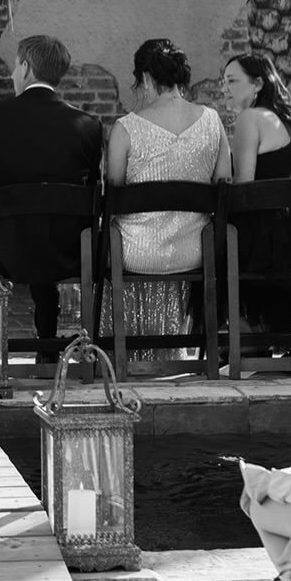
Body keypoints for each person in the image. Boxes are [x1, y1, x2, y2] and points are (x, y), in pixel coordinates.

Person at [0, 35, 103, 350]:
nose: (14, 74)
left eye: (16, 66)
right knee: (47, 224)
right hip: (68, 252)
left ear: (25, 68)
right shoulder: (89, 125)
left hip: (6, 252)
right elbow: (93, 192)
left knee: (17, 226)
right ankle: (47, 344)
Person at [107, 38, 230, 359]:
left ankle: (123, 353)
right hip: (195, 250)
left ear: (146, 78)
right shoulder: (212, 121)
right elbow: (223, 182)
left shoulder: (125, 128)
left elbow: (113, 188)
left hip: (135, 252)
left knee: (108, 233)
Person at [222, 52, 291, 345]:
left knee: (213, 240)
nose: (224, 88)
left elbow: (244, 188)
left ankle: (249, 346)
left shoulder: (249, 118)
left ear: (257, 84)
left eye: (232, 81)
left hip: (266, 238)